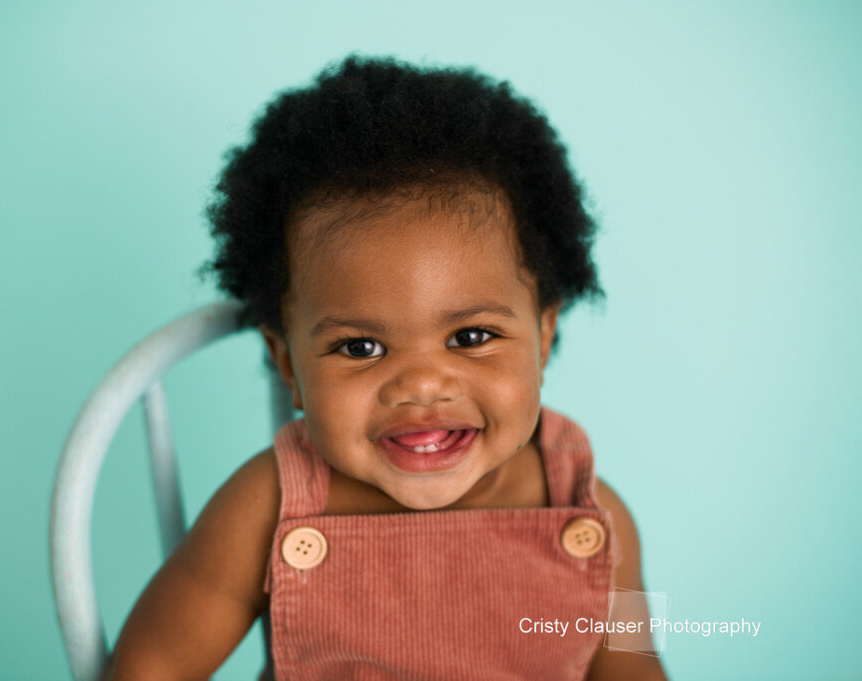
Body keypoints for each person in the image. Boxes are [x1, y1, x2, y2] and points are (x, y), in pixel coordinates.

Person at [102, 56, 668, 681]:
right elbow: (150, 667)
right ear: (287, 365)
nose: (422, 385)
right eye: (361, 348)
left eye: (471, 336)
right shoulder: (269, 506)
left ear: (543, 334)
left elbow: (636, 671)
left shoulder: (590, 512)